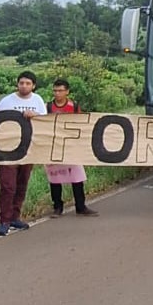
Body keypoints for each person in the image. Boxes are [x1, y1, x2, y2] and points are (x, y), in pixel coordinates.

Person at [0, 71, 47, 236]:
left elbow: (46, 122)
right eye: (21, 83)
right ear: (17, 84)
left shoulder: (37, 101)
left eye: (28, 83)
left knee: (22, 184)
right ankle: (4, 221)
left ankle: (15, 217)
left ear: (33, 85)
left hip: (28, 150)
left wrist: (35, 115)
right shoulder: (6, 101)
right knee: (8, 185)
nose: (24, 86)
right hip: (7, 151)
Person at [47, 78, 97, 218]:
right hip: (54, 146)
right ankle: (57, 207)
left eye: (60, 90)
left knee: (77, 178)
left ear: (67, 91)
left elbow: (81, 123)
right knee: (55, 179)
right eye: (55, 90)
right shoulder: (48, 107)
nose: (57, 93)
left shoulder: (74, 106)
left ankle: (80, 206)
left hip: (72, 146)